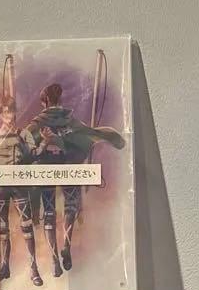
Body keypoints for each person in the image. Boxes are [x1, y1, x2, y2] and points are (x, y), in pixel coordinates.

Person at [24, 83, 125, 277]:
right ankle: (66, 246)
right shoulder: (70, 120)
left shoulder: (36, 124)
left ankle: (55, 260)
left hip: (47, 172)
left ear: (44, 101)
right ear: (59, 99)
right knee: (70, 207)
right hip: (68, 168)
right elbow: (88, 133)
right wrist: (104, 137)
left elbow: (24, 145)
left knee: (49, 214)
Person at [0, 97, 42, 286]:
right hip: (0, 186)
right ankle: (4, 266)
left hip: (19, 185)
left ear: (15, 112)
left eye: (11, 111)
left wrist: (44, 143)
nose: (8, 115)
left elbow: (34, 155)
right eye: (5, 111)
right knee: (2, 228)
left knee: (26, 226)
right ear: (0, 114)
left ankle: (33, 268)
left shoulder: (23, 133)